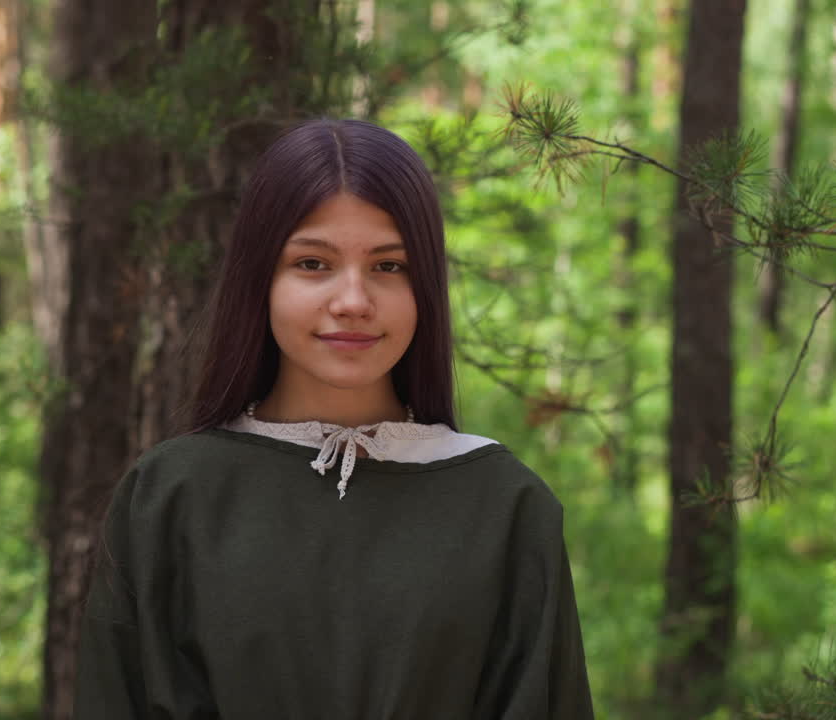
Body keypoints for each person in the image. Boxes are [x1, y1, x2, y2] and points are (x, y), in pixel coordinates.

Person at [73, 118, 596, 719]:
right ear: (260, 278)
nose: (352, 301)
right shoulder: (169, 497)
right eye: (313, 264)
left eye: (389, 266)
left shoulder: (506, 505)